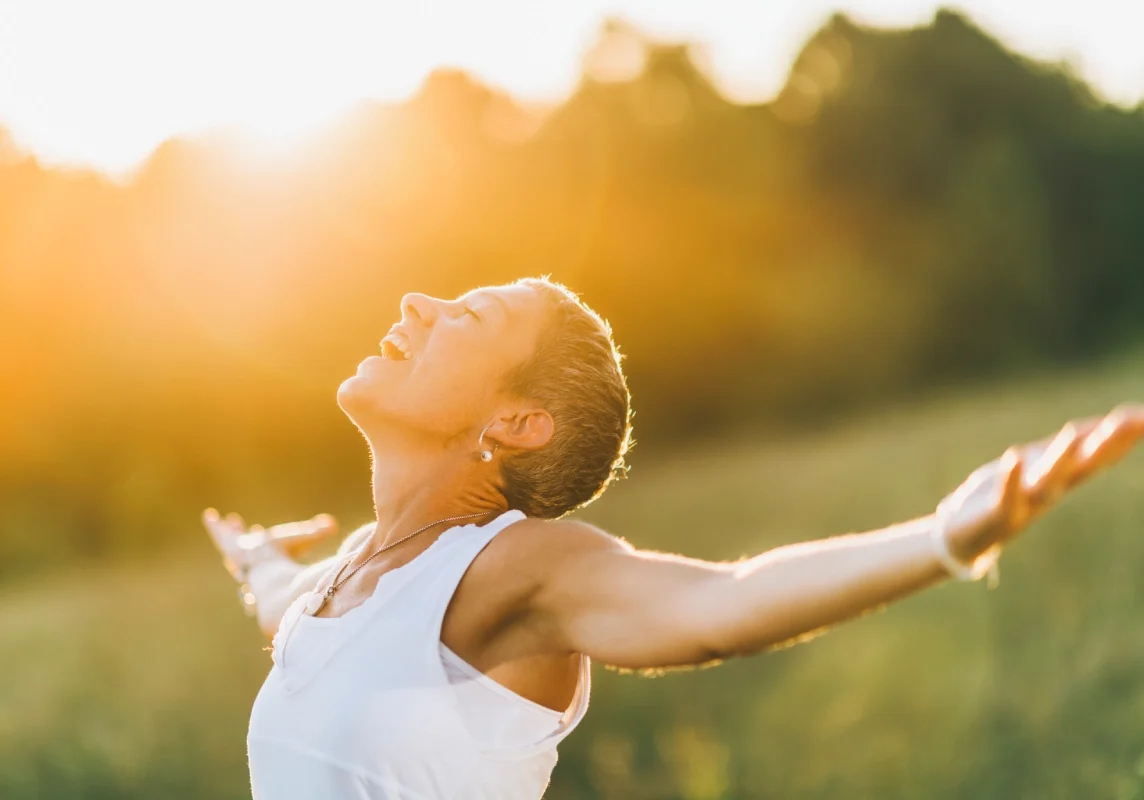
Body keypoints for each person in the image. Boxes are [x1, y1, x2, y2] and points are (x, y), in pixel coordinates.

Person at [204, 276, 1144, 800]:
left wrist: (944, 536)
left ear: (518, 423)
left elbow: (718, 607)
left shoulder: (511, 567)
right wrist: (261, 564)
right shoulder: (352, 577)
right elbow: (294, 616)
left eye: (467, 317)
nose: (416, 303)